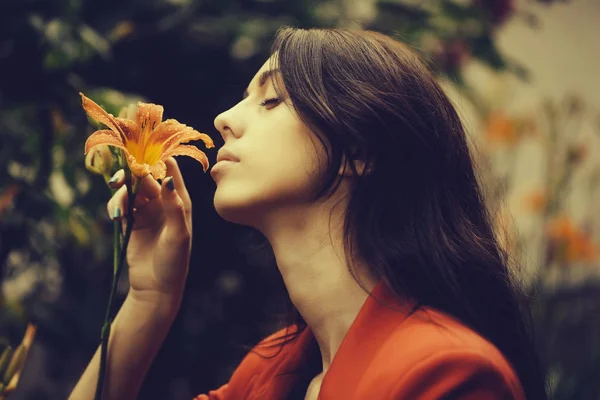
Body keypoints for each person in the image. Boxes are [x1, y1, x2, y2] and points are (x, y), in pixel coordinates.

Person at [70, 27, 549, 400]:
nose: (225, 119)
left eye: (272, 99)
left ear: (357, 149)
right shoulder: (268, 374)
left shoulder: (446, 375)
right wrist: (149, 301)